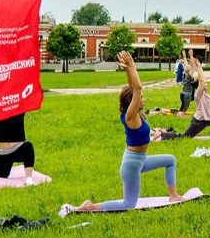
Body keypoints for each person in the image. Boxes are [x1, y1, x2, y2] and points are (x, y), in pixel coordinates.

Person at [64, 51, 183, 213]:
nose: (143, 98)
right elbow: (137, 87)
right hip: (132, 165)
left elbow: (132, 86)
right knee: (129, 204)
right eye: (140, 98)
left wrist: (128, 68)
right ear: (132, 101)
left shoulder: (133, 113)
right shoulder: (130, 116)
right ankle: (89, 207)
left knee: (170, 160)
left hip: (139, 160)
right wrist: (133, 64)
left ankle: (173, 195)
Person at [158, 57, 210, 140]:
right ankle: (162, 135)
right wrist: (198, 68)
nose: (206, 84)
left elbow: (203, 79)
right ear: (200, 86)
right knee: (183, 137)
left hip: (208, 118)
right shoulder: (198, 94)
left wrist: (200, 67)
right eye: (204, 84)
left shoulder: (205, 92)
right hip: (198, 122)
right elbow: (202, 81)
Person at [0, 112, 36, 185]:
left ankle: (29, 178)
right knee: (1, 176)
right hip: (3, 153)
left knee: (28, 146)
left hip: (18, 148)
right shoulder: (0, 109)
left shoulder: (19, 107)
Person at [176, 50, 198, 117]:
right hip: (187, 95)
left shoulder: (185, 73)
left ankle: (179, 113)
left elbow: (186, 64)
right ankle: (181, 115)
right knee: (184, 110)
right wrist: (191, 55)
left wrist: (185, 56)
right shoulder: (189, 75)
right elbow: (192, 65)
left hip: (182, 94)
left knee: (182, 108)